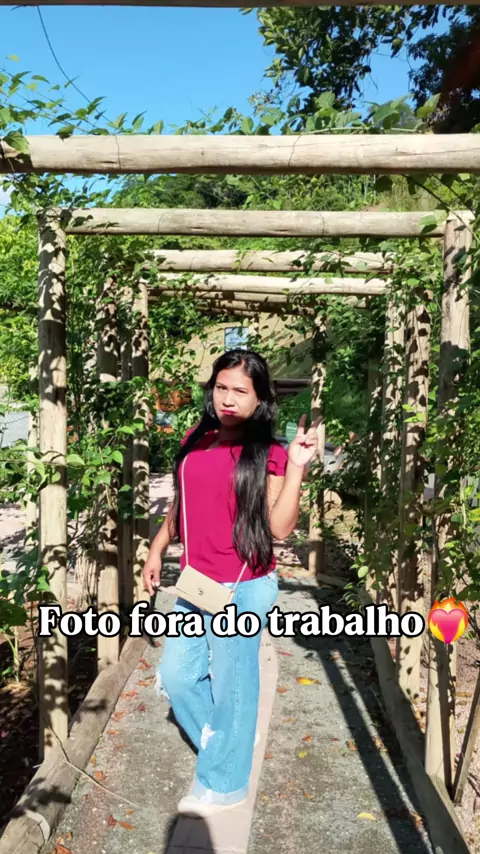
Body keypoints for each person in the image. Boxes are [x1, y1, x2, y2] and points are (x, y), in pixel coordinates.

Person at [142, 349, 320, 817]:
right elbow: (180, 504)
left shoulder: (270, 452)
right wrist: (157, 548)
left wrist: (297, 466)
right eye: (221, 387)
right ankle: (230, 740)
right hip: (197, 582)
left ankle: (225, 784)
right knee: (178, 677)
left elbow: (279, 529)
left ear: (260, 399)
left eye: (241, 391)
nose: (228, 398)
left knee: (234, 684)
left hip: (243, 585)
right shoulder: (197, 438)